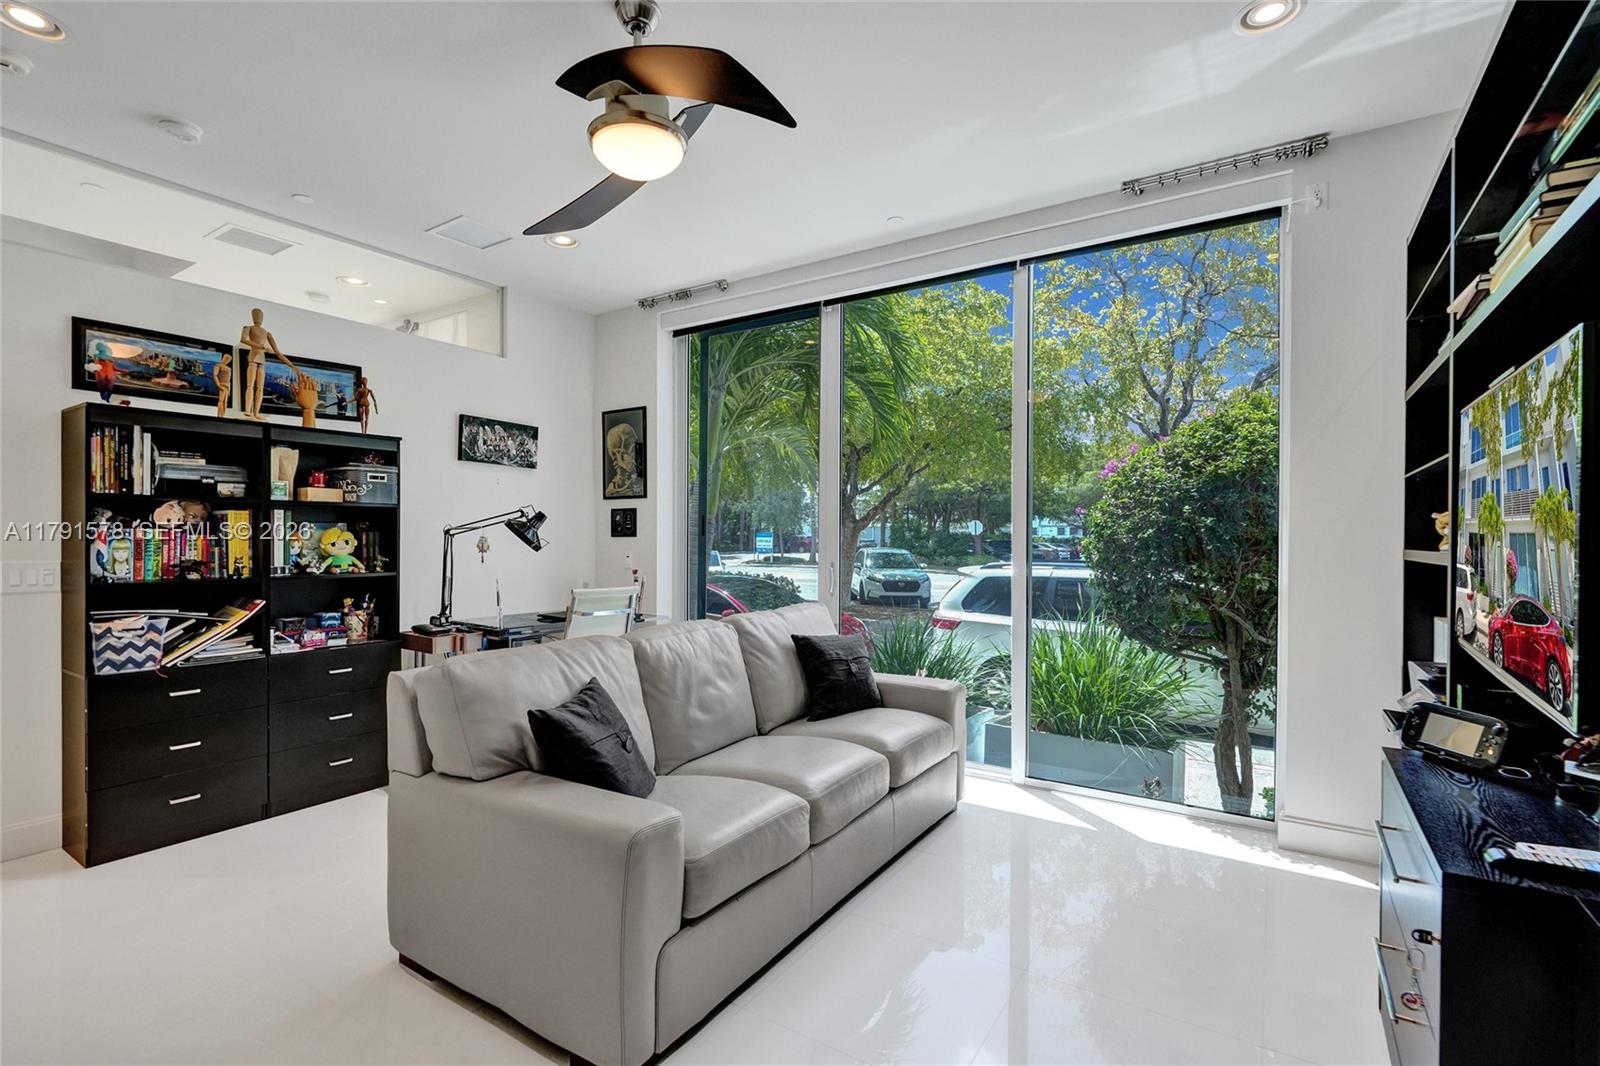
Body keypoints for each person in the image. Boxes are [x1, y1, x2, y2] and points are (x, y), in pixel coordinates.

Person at [239, 308, 312, 420]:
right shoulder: (248, 328)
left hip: (261, 360)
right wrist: (260, 346)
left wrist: (292, 366)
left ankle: (256, 413)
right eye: (256, 315)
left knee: (260, 388)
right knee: (250, 386)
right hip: (253, 358)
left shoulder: (267, 333)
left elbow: (278, 353)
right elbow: (243, 340)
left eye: (259, 316)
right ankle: (248, 411)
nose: (258, 318)